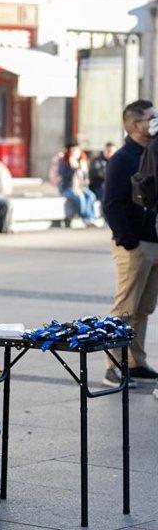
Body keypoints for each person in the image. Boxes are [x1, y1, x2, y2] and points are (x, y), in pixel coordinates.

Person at [102, 99, 158, 387]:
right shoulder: (123, 159)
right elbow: (112, 204)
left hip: (154, 241)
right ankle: (113, 367)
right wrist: (129, 242)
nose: (155, 120)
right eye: (151, 117)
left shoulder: (152, 152)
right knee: (125, 308)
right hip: (135, 245)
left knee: (143, 308)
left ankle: (135, 363)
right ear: (136, 125)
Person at [58, 141, 97, 226]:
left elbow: (86, 179)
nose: (75, 153)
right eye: (72, 151)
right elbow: (62, 174)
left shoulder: (82, 161)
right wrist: (73, 168)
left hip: (81, 187)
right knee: (80, 197)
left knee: (91, 196)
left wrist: (84, 170)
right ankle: (86, 218)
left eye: (76, 151)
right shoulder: (64, 161)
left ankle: (91, 218)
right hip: (68, 187)